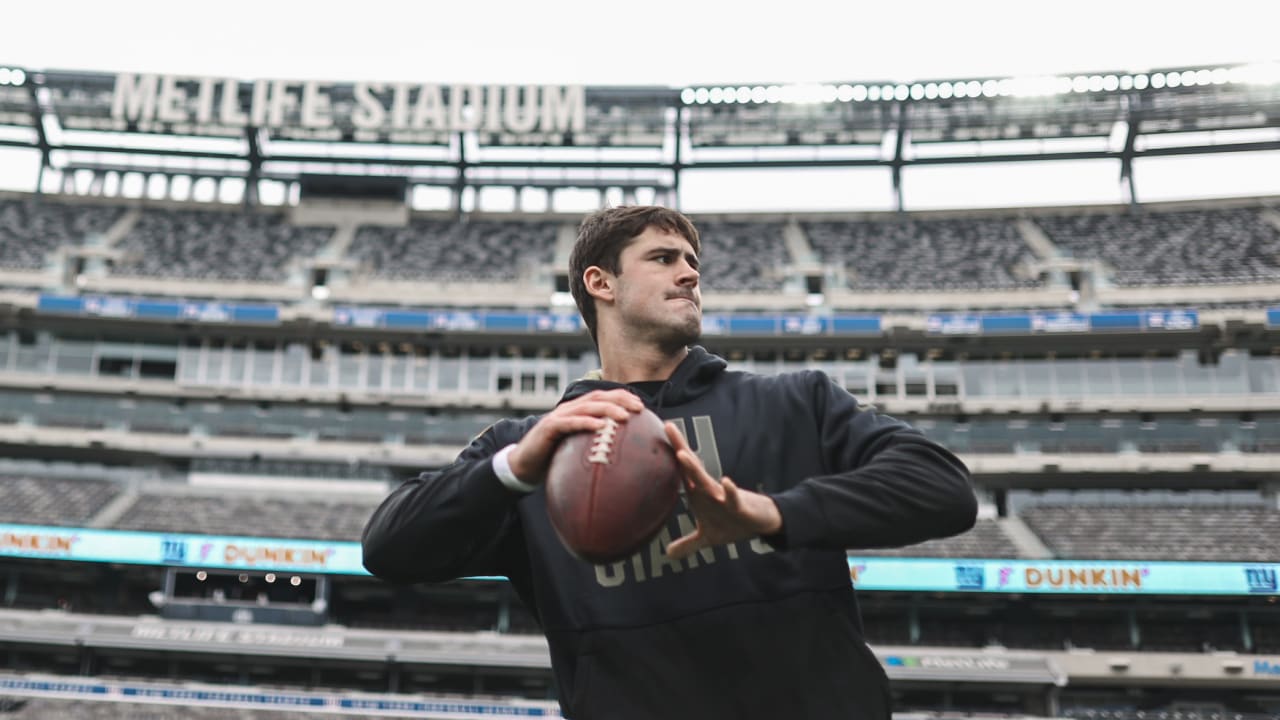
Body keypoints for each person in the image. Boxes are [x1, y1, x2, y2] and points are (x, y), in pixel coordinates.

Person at [362, 205, 977, 719]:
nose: (688, 275)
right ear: (601, 284)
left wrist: (770, 514)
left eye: (693, 263)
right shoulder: (534, 446)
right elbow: (388, 548)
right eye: (663, 259)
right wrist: (513, 468)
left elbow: (943, 487)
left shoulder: (795, 401)